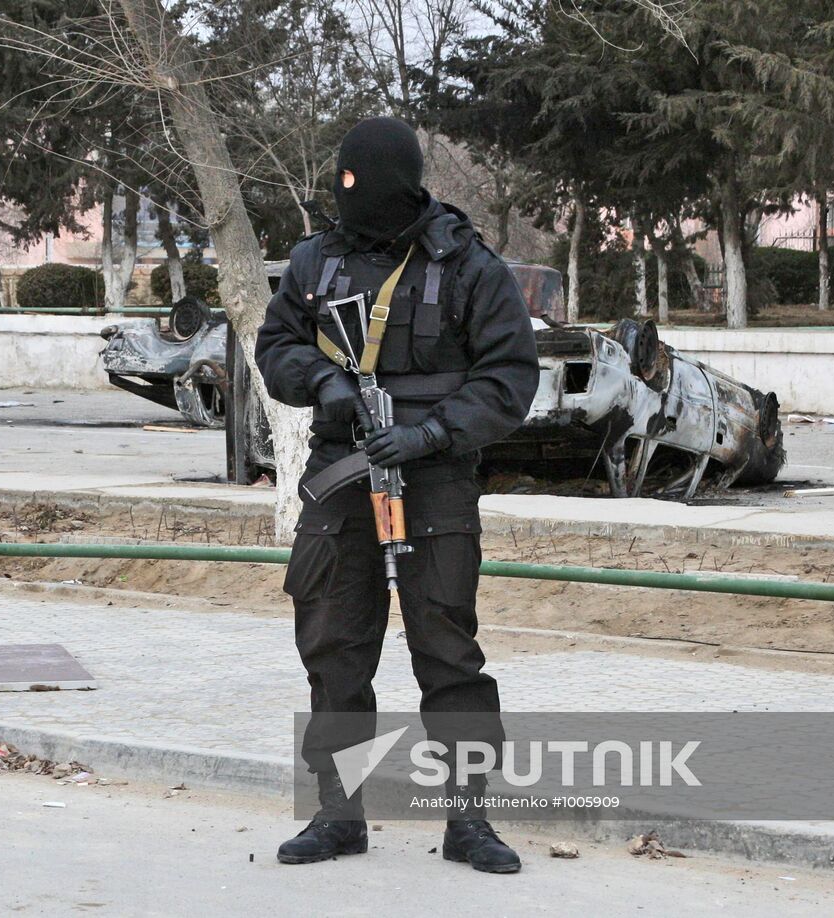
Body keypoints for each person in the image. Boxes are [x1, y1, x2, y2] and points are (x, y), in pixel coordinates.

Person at [254, 116, 540, 873]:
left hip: (436, 483)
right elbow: (275, 344)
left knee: (448, 654)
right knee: (334, 651)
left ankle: (469, 820)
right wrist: (322, 381)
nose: (348, 199)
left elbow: (510, 380)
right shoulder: (317, 260)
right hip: (341, 481)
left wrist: (431, 434)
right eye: (340, 184)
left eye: (360, 185)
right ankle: (338, 814)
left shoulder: (468, 266)